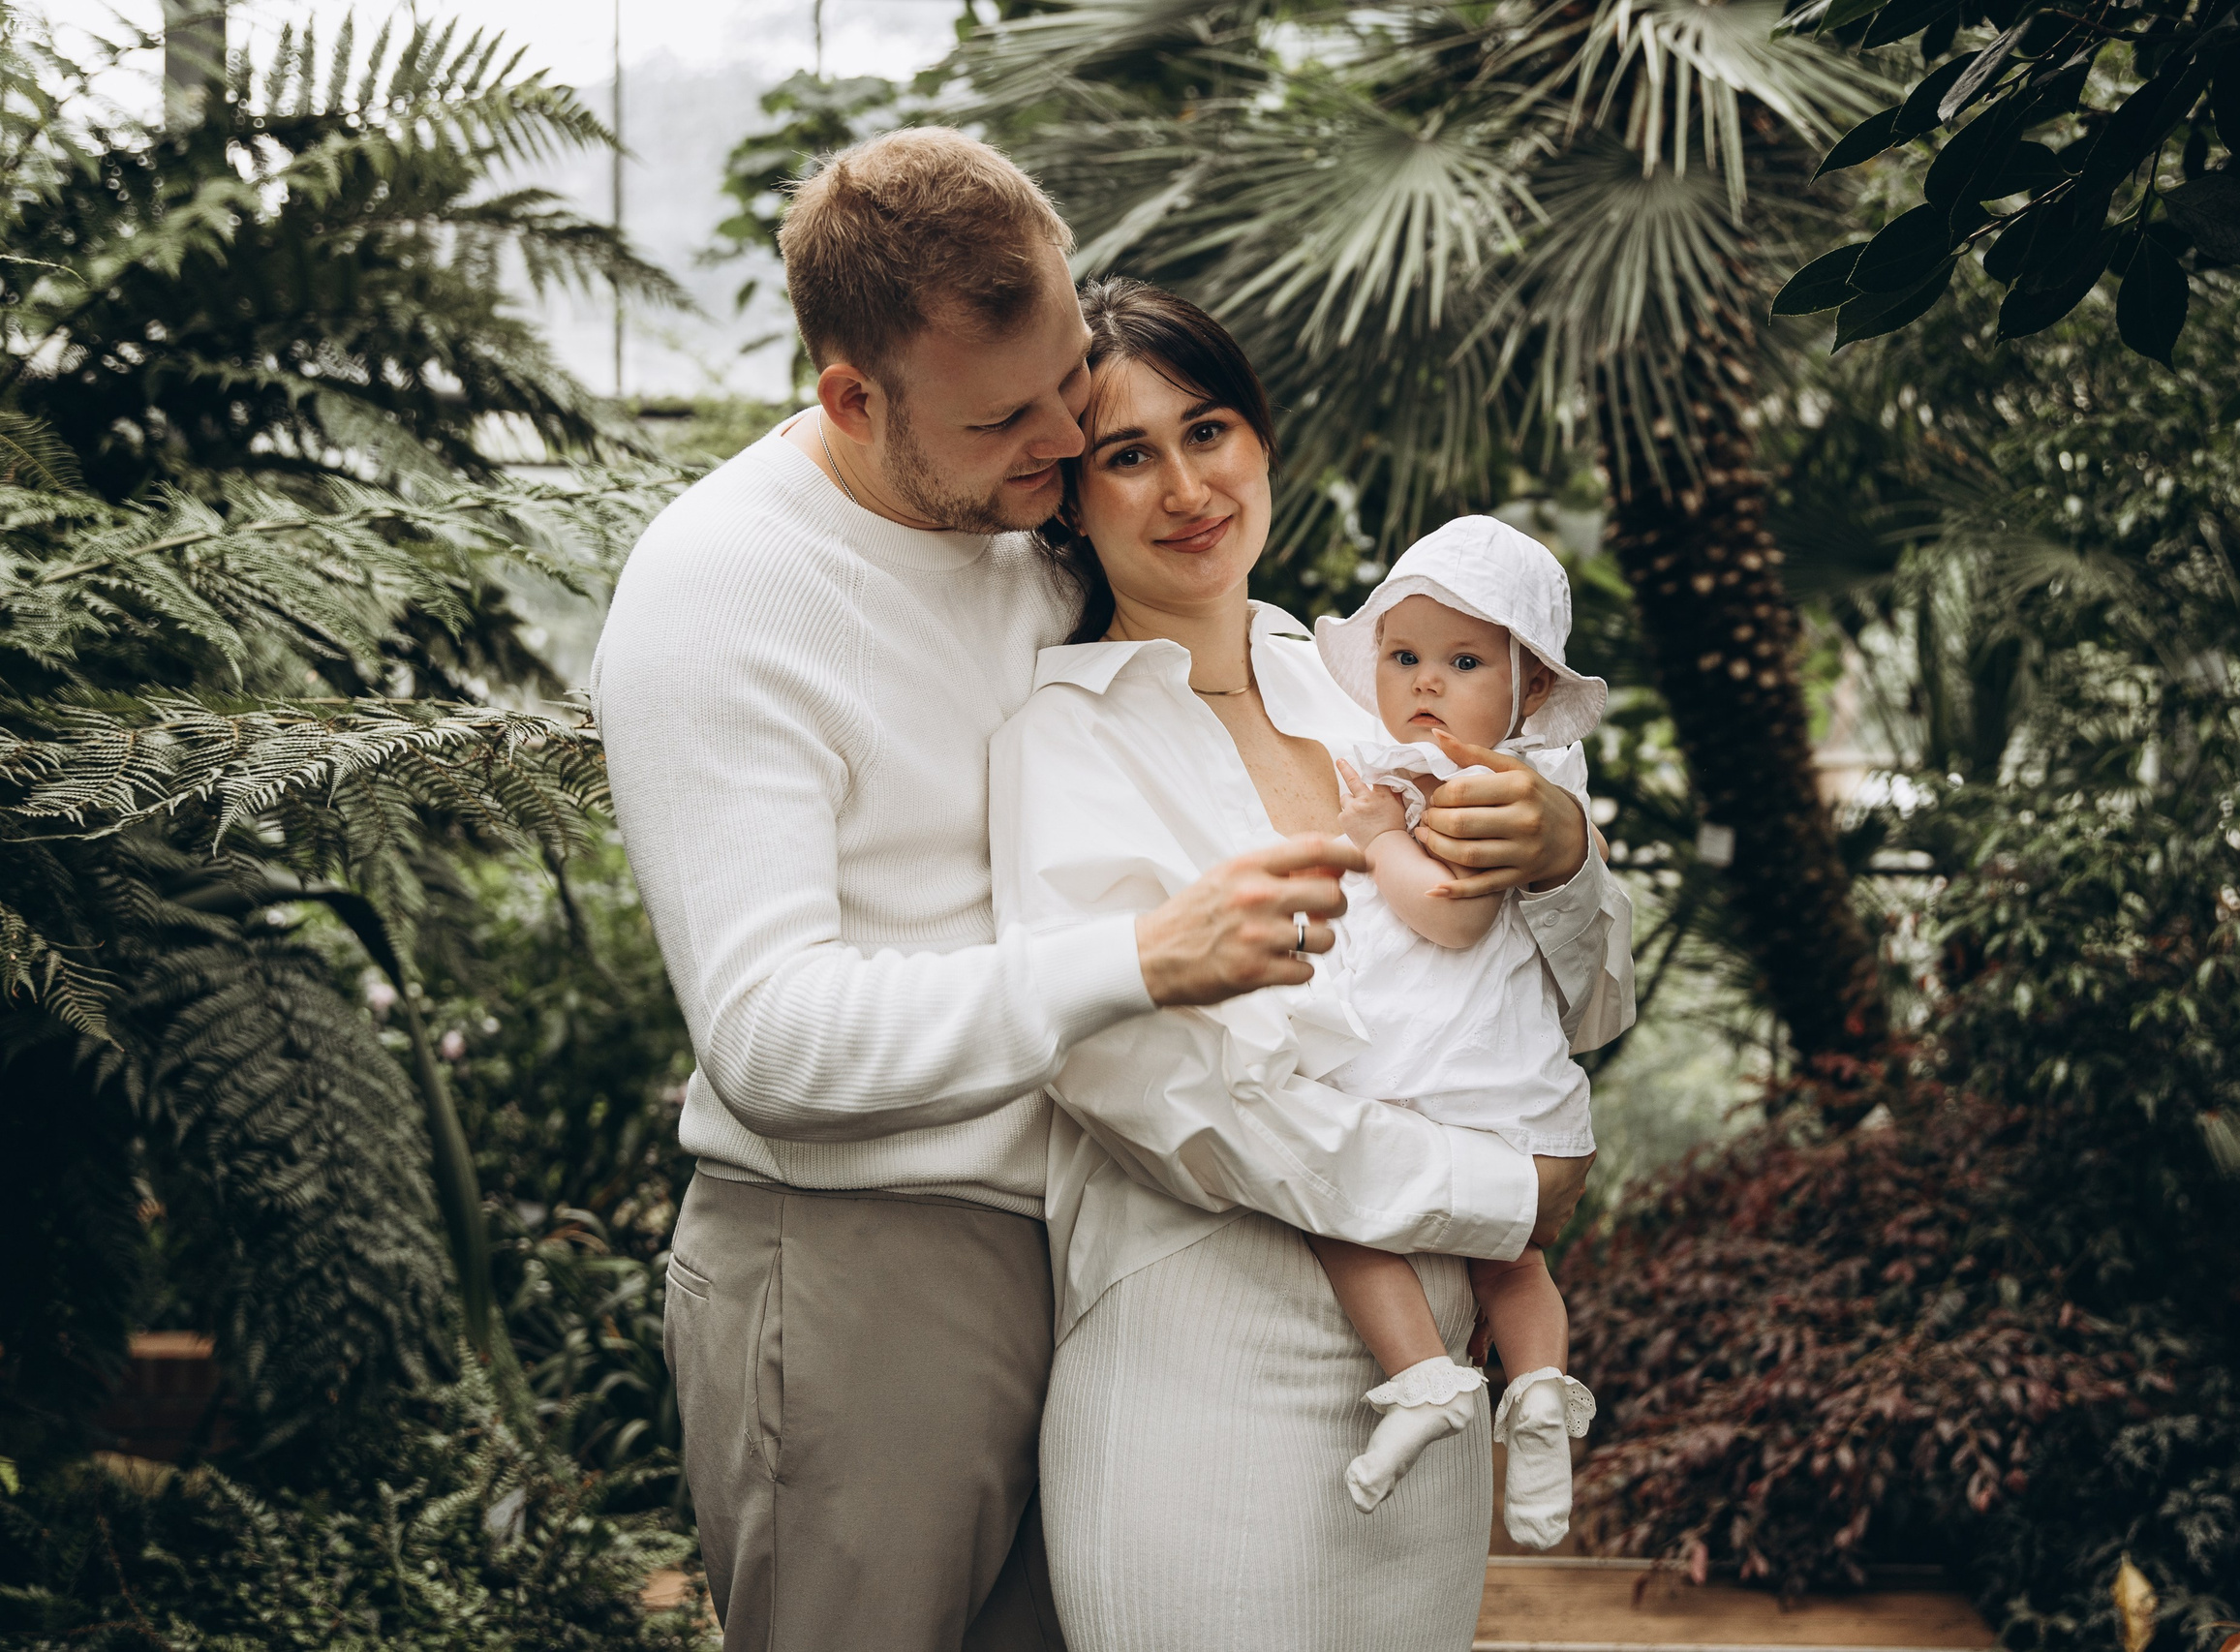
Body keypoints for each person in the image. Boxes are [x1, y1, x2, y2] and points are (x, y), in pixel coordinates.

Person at [592, 132, 1617, 1651]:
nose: (1067, 441)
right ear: (853, 402)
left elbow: (1542, 984)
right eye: (1030, 420)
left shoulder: (1177, 608)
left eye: (1075, 384)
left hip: (1084, 1249)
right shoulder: (724, 592)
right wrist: (1148, 959)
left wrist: (1566, 855)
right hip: (868, 1247)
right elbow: (773, 1036)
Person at [989, 278, 1636, 1651]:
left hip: (1442, 1370)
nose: (1184, 485)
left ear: (1262, 436)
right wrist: (1500, 1191)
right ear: (1070, 497)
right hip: (1212, 1352)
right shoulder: (1065, 740)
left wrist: (1565, 855)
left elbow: (1584, 1003)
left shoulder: (1367, 678)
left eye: (1208, 428)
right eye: (1125, 453)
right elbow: (1157, 1086)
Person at [1307, 515, 1607, 1548]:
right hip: (1468, 1077)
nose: (1425, 682)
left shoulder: (1478, 784)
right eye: (1403, 656)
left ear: (1526, 689)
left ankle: (1447, 1384)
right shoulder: (1452, 768)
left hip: (1452, 1078)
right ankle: (1511, 1393)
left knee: (1349, 1213)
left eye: (1464, 659)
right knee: (1506, 1262)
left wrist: (1381, 836)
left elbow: (1451, 910)